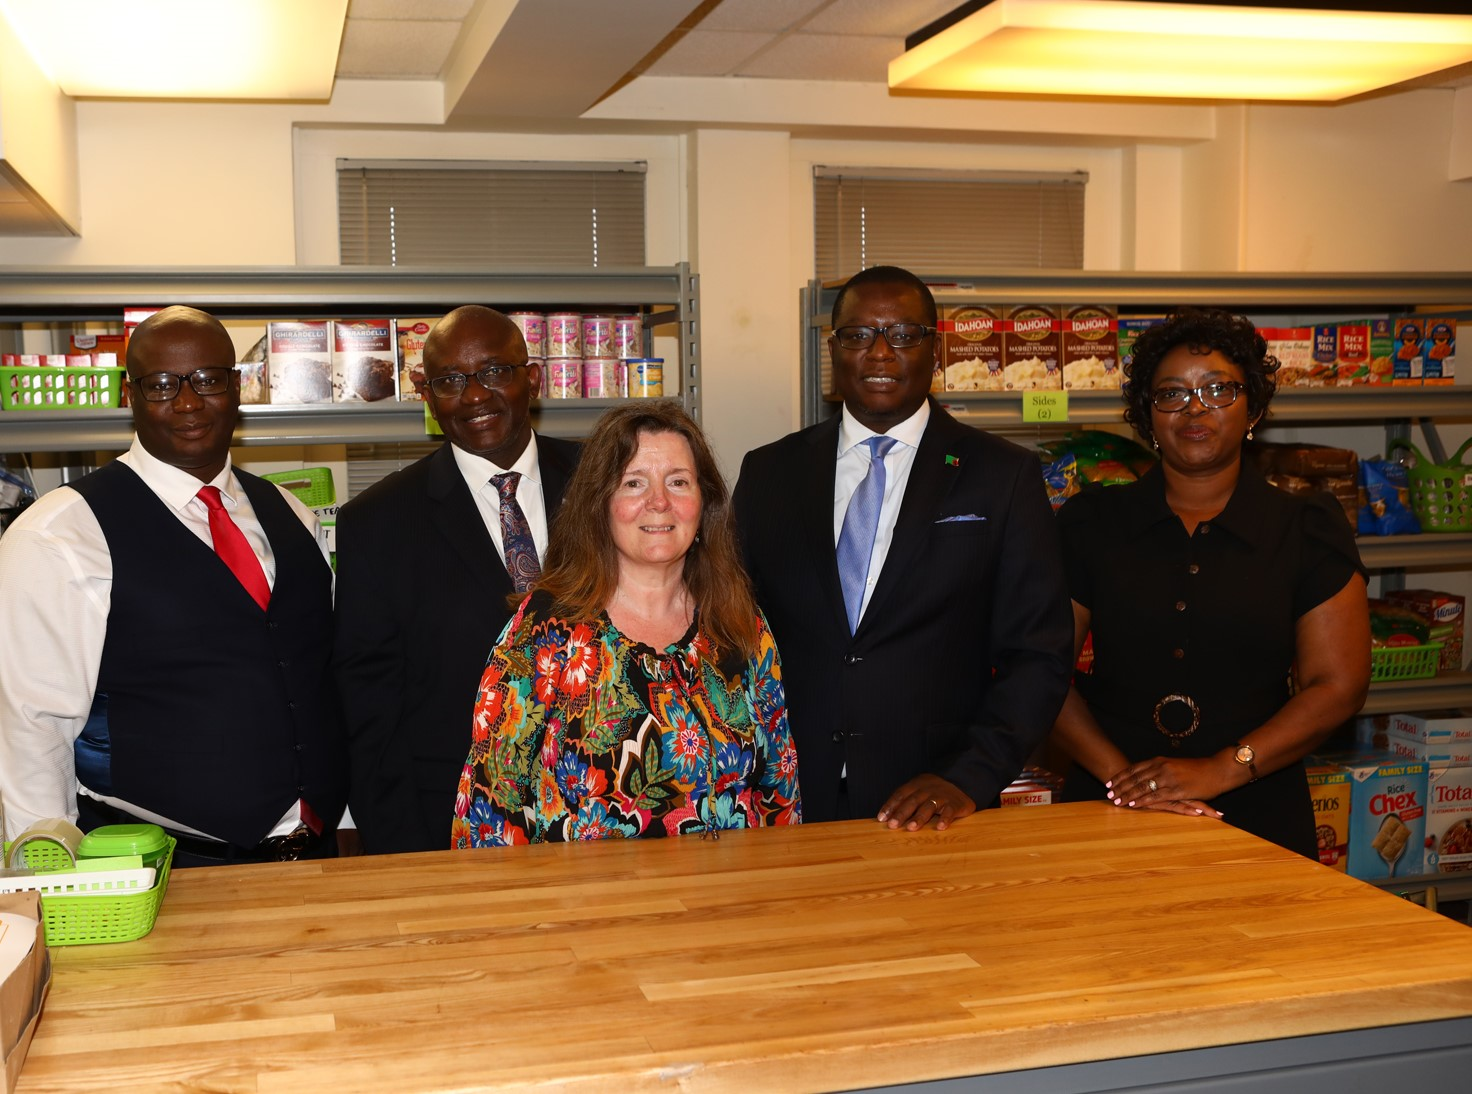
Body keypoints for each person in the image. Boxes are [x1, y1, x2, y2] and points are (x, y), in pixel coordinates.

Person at [0, 306, 345, 865]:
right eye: (161, 384)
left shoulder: (288, 511)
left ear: (237, 389)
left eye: (207, 380)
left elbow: (310, 674)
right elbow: (31, 725)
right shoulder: (60, 532)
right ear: (129, 394)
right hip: (160, 869)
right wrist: (50, 882)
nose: (187, 403)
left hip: (314, 856)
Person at [733, 265, 1073, 830]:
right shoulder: (770, 471)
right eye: (859, 335)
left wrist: (971, 775)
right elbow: (732, 628)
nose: (880, 353)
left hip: (935, 801)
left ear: (934, 351)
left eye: (904, 335)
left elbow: (1039, 655)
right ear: (834, 349)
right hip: (784, 791)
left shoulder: (1001, 475)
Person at [1049, 307, 1370, 859]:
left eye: (1218, 389)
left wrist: (1224, 768)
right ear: (1147, 417)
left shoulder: (1305, 529)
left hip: (1255, 804)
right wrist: (1126, 781)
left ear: (1254, 408)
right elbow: (1041, 668)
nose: (1194, 409)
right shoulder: (1090, 523)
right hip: (1106, 803)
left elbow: (1336, 686)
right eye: (1170, 394)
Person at [452, 401, 799, 846]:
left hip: (726, 904)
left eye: (678, 482)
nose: (659, 501)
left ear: (704, 501)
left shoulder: (739, 622)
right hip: (587, 909)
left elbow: (781, 793)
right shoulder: (546, 631)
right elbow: (489, 807)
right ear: (601, 503)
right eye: (634, 483)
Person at [335, 305, 581, 854]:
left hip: (611, 804)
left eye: (494, 371)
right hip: (453, 823)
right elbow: (370, 711)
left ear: (533, 378)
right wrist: (404, 853)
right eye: (450, 380)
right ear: (428, 395)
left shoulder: (607, 483)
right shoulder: (377, 523)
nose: (473, 396)